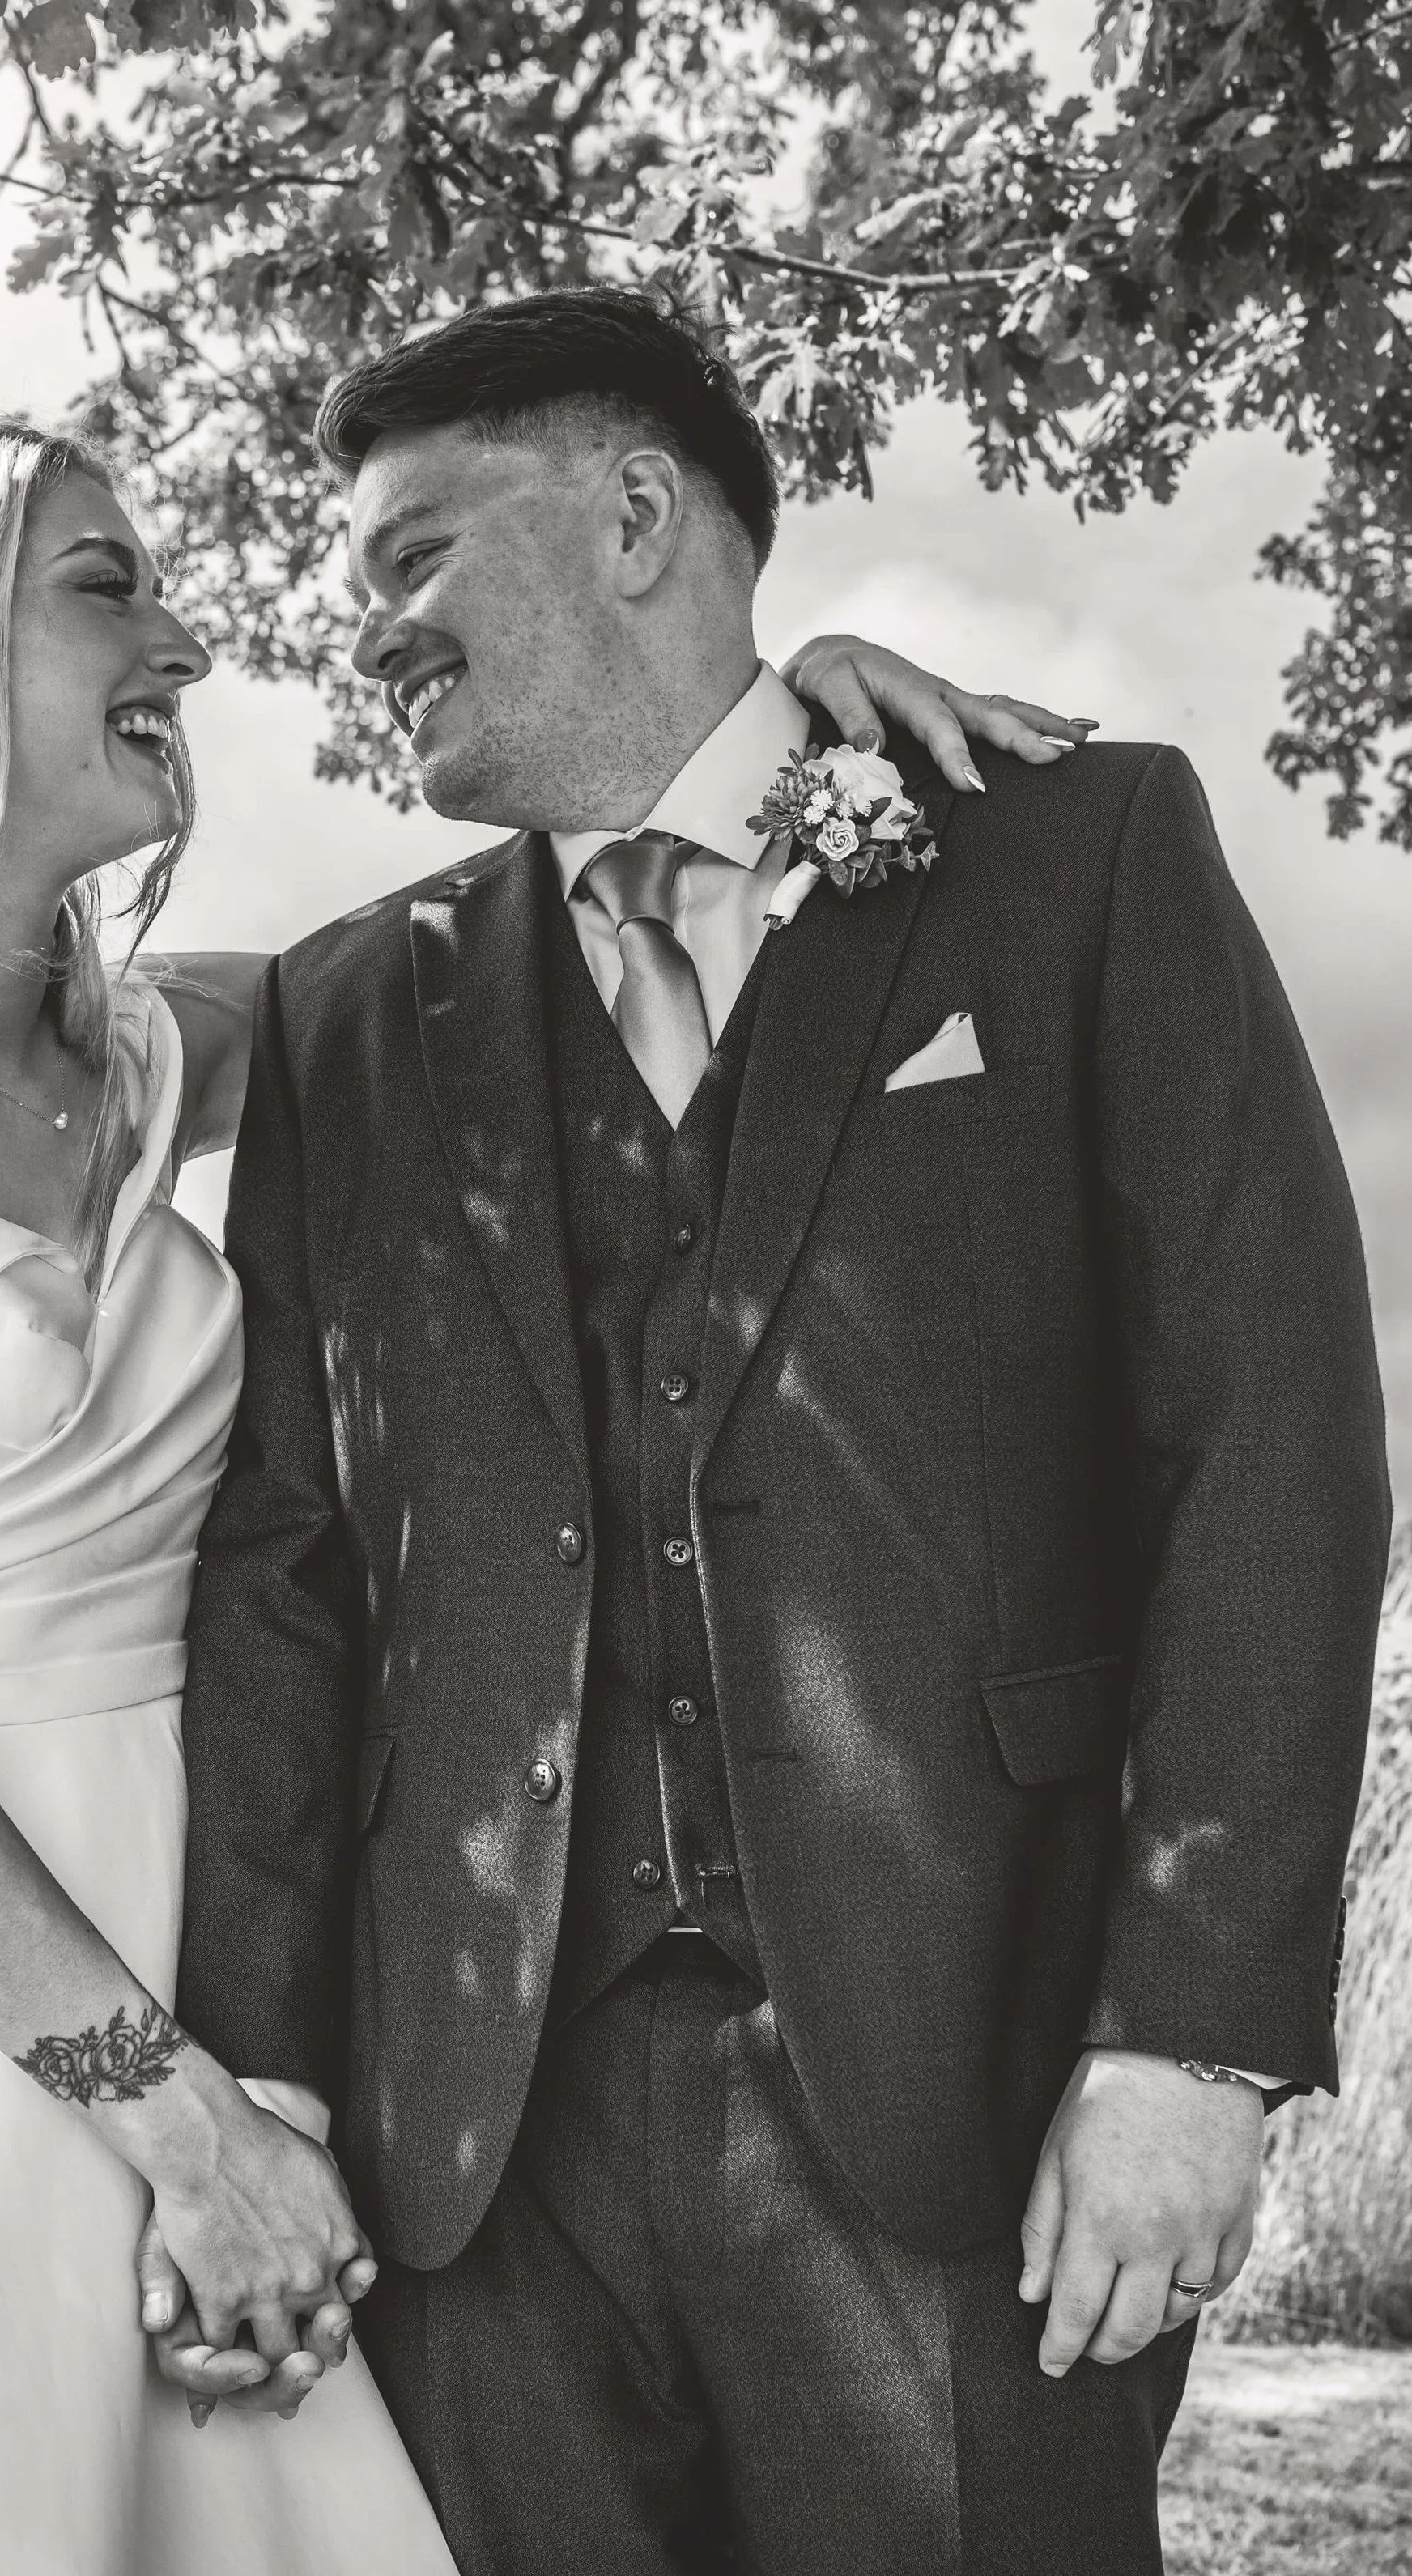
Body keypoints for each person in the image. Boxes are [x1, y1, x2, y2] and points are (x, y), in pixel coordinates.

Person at [0, 404, 1052, 2574]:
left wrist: (760, 726)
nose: (179, 635)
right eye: (103, 586)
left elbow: (536, 946)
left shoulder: (163, 1054)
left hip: (240, 1936)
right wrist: (180, 2128)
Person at [170, 288, 1392, 2574]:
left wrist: (1192, 2040)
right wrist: (270, 2077)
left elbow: (1274, 1444)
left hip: (977, 2100)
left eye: (412, 558)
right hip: (476, 2167)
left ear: (631, 513)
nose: (373, 639)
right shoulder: (350, 1016)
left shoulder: (1070, 857)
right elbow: (281, 1578)